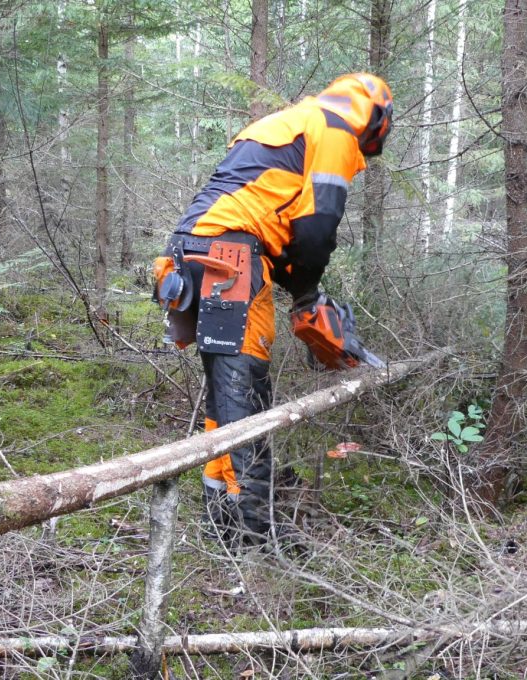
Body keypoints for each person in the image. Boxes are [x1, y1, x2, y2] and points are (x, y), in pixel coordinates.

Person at [153, 73, 393, 546]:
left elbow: (275, 222)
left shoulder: (295, 121)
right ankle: (256, 534)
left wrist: (298, 286)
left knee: (226, 397)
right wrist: (307, 296)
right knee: (248, 398)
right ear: (374, 118)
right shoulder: (335, 131)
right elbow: (316, 230)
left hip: (192, 249)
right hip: (230, 257)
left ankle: (221, 522)